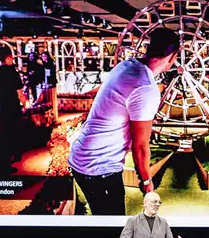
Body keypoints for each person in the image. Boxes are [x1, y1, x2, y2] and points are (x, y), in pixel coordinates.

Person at [68, 28, 180, 215]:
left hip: (84, 158)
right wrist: (146, 181)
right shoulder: (146, 88)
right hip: (98, 166)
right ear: (172, 57)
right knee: (113, 223)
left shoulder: (126, 65)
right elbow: (140, 146)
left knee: (106, 219)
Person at [0, 49, 27, 174]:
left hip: (0, 107)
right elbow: (19, 92)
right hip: (13, 106)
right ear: (7, 58)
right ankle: (13, 156)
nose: (12, 60)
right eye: (11, 58)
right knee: (14, 131)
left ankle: (7, 158)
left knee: (4, 132)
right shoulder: (13, 73)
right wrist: (24, 104)